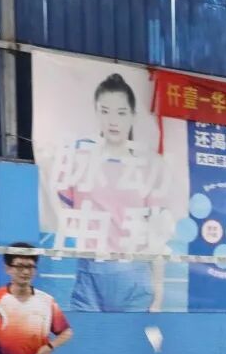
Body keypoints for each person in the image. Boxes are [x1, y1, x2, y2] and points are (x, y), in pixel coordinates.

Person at [52, 73, 173, 312]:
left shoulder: (146, 169)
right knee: (88, 335)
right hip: (89, 274)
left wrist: (158, 292)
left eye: (121, 112)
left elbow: (157, 234)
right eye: (105, 111)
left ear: (132, 115)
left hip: (134, 276)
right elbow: (60, 213)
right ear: (96, 113)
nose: (113, 121)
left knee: (129, 337)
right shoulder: (78, 161)